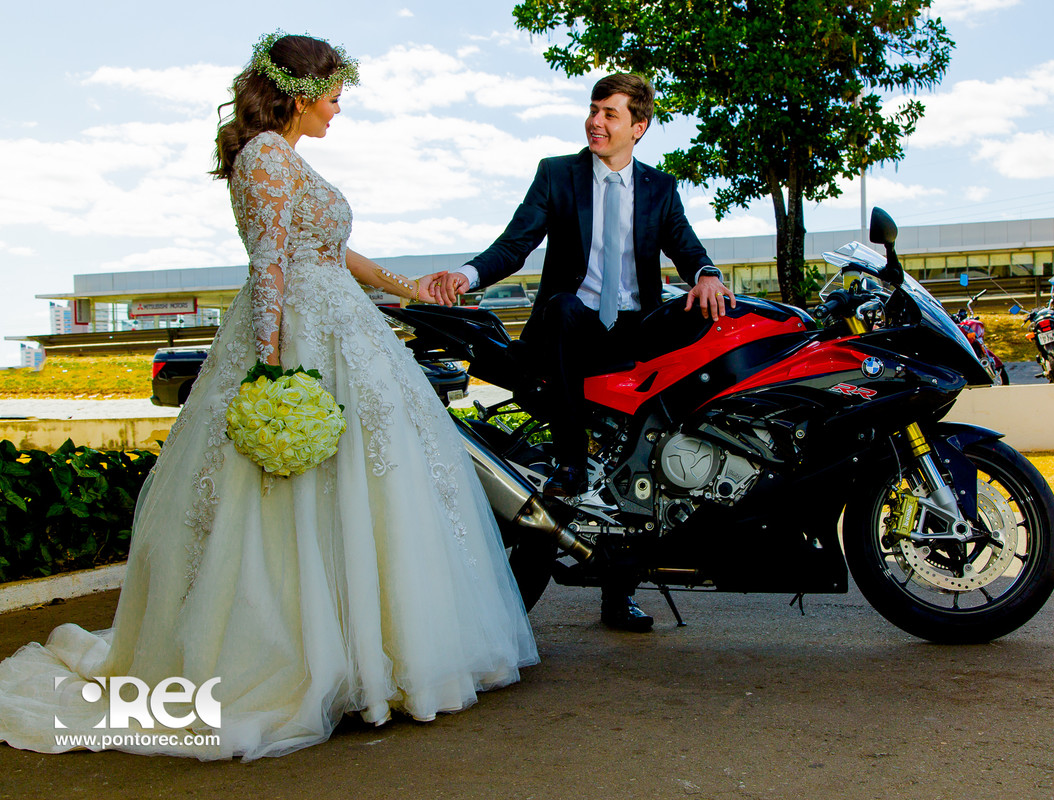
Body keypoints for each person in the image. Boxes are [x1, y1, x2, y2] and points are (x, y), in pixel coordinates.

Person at [0, 32, 537, 761]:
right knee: (294, 502)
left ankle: (373, 657)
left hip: (344, 331)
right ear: (301, 91)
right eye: (335, 92)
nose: (340, 106)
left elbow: (331, 253)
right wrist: (273, 374)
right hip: (299, 344)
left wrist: (414, 292)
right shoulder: (262, 157)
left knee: (371, 493)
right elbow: (272, 265)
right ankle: (310, 660)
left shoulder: (290, 160)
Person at [431, 73, 734, 633]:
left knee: (642, 449)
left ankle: (625, 588)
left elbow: (687, 246)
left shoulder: (660, 189)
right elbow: (516, 241)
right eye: (593, 109)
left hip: (632, 333)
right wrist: (467, 274)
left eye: (610, 114)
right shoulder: (558, 174)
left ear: (638, 128)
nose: (596, 121)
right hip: (569, 330)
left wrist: (708, 275)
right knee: (567, 307)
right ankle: (570, 459)